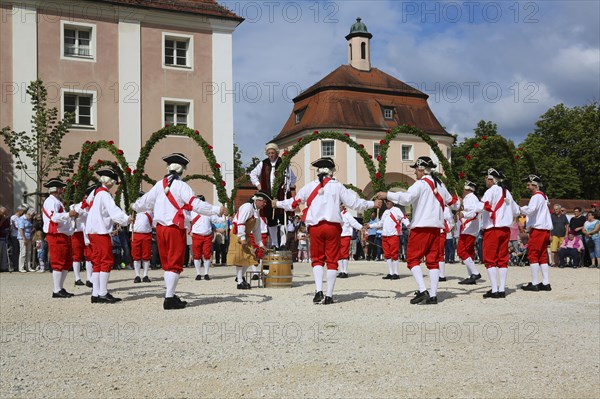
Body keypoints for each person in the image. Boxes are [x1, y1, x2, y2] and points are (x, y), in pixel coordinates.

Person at [275, 157, 380, 304]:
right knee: (332, 261)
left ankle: (318, 291)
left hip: (316, 228)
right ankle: (329, 295)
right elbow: (354, 203)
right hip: (333, 227)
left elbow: (294, 203)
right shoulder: (338, 186)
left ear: (318, 171)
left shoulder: (309, 186)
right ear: (331, 171)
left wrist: (278, 203)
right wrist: (372, 203)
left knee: (317, 260)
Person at [132, 153, 225, 309]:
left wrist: (134, 206)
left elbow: (144, 203)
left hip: (160, 228)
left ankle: (171, 294)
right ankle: (169, 298)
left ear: (168, 168)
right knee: (174, 263)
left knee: (168, 263)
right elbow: (196, 204)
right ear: (183, 170)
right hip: (175, 228)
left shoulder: (159, 185)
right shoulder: (182, 186)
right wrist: (217, 209)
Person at [377, 157, 457, 305]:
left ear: (421, 169)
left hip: (421, 227)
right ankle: (433, 295)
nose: (414, 172)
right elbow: (452, 202)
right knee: (433, 262)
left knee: (412, 259)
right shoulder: (440, 184)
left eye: (416, 169)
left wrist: (388, 194)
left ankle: (422, 290)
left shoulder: (420, 184)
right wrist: (459, 205)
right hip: (436, 228)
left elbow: (406, 198)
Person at [472, 168, 520, 299]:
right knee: (503, 259)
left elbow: (480, 207)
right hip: (505, 229)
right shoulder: (507, 192)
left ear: (490, 179)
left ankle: (494, 290)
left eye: (486, 178)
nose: (484, 181)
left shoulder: (490, 191)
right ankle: (502, 289)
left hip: (493, 228)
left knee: (490, 259)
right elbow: (516, 211)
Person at [86, 169, 131, 303]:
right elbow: (113, 210)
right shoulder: (104, 194)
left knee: (97, 261)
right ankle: (103, 292)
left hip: (92, 230)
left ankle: (96, 293)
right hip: (100, 230)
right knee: (106, 260)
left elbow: (87, 204)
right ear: (110, 182)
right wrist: (126, 219)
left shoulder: (95, 192)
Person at [249, 143, 296, 248]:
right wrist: (258, 185)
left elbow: (292, 178)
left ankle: (283, 243)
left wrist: (287, 187)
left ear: (276, 153)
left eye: (273, 153)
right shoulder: (263, 163)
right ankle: (274, 243)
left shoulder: (283, 163)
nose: (271, 155)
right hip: (268, 195)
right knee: (271, 219)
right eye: (269, 153)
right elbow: (252, 174)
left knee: (283, 218)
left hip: (281, 194)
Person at [41, 178, 79, 298]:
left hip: (62, 234)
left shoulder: (56, 201)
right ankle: (56, 289)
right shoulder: (51, 201)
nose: (63, 190)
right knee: (58, 261)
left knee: (66, 261)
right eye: (61, 188)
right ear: (56, 189)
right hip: (56, 234)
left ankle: (60, 288)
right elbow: (54, 217)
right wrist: (69, 214)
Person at [519, 175, 553, 292]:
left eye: (529, 184)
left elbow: (530, 210)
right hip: (545, 229)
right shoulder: (543, 197)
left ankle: (534, 283)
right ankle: (545, 282)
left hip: (538, 229)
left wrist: (519, 209)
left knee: (533, 254)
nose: (527, 186)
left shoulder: (536, 197)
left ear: (534, 184)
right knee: (542, 255)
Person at [229, 192, 269, 289]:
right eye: (263, 202)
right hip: (237, 234)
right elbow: (241, 223)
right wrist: (242, 238)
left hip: (245, 234)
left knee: (251, 258)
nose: (265, 204)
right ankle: (239, 282)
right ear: (257, 200)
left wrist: (260, 244)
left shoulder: (256, 211)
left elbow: (257, 230)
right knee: (240, 258)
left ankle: (240, 277)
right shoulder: (247, 207)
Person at [366, 200, 408, 280]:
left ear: (393, 202)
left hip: (393, 235)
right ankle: (390, 272)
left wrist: (408, 225)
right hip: (385, 235)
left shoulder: (397, 210)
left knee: (394, 254)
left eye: (389, 201)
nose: (387, 203)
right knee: (387, 255)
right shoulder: (385, 212)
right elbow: (380, 223)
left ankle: (396, 273)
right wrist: (370, 226)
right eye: (386, 201)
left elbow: (403, 218)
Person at [457, 181, 483, 284]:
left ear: (467, 189)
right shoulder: (471, 198)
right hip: (470, 228)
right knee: (469, 252)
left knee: (461, 251)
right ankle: (470, 276)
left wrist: (463, 214)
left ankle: (475, 273)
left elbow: (473, 213)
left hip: (469, 228)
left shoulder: (471, 198)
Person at [189, 194, 220, 281]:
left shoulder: (208, 211)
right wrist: (189, 231)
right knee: (197, 255)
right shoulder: (192, 211)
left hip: (207, 235)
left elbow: (215, 220)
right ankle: (198, 273)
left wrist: (222, 217)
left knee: (207, 255)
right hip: (196, 235)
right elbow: (187, 221)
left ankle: (206, 273)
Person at [131, 191, 154, 283]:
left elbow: (138, 206)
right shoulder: (135, 210)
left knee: (146, 255)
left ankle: (145, 275)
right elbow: (134, 206)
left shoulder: (149, 209)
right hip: (135, 234)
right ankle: (137, 275)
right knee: (136, 256)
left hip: (146, 234)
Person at [339, 204, 364, 278]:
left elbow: (354, 223)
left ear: (343, 206)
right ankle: (341, 271)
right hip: (337, 236)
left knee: (344, 253)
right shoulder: (335, 214)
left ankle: (345, 271)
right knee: (338, 254)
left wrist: (361, 227)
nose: (339, 207)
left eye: (340, 205)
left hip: (345, 235)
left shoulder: (347, 214)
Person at [550, 203, 569, 267]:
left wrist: (566, 234)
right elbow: (549, 226)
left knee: (561, 250)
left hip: (562, 235)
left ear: (560, 209)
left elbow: (567, 225)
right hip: (554, 234)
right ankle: (553, 262)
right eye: (555, 209)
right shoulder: (552, 216)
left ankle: (560, 262)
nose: (555, 210)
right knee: (553, 250)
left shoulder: (564, 216)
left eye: (557, 209)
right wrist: (550, 235)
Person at [17, 208, 35, 272]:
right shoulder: (21, 219)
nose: (32, 217)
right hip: (22, 238)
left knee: (29, 252)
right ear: (29, 214)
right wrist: (24, 238)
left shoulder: (29, 220)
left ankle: (28, 267)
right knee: (23, 253)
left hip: (29, 237)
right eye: (32, 215)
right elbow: (21, 229)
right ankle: (21, 268)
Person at [0, 206, 11, 272]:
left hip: (4, 237)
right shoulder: (2, 218)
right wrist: (2, 220)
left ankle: (3, 267)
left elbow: (8, 226)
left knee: (4, 254)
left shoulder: (6, 219)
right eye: (3, 213)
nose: (4, 215)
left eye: (5, 213)